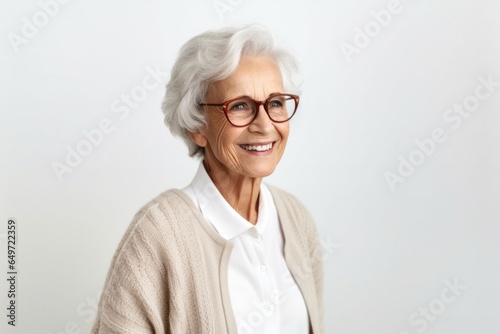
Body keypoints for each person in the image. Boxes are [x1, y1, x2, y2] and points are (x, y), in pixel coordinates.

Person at [92, 24, 323, 334]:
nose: (265, 125)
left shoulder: (296, 219)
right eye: (240, 106)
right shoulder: (159, 234)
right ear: (196, 126)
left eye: (276, 103)